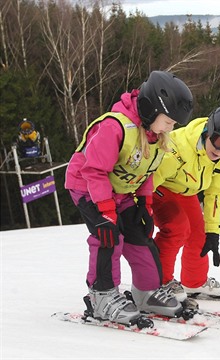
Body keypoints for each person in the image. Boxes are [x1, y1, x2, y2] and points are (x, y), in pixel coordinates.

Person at [65, 70, 194, 325]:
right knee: (109, 237)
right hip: (89, 187)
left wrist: (145, 204)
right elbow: (94, 170)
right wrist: (105, 212)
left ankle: (146, 292)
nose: (172, 127)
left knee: (139, 237)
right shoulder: (115, 127)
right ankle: (101, 296)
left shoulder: (154, 136)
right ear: (151, 109)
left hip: (121, 191)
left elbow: (145, 170)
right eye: (169, 121)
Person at [151, 105, 220, 300]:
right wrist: (139, 209)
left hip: (186, 191)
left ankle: (194, 282)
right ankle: (159, 281)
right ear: (209, 132)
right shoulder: (177, 148)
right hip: (158, 187)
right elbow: (150, 179)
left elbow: (216, 193)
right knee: (177, 228)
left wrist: (213, 230)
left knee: (200, 234)